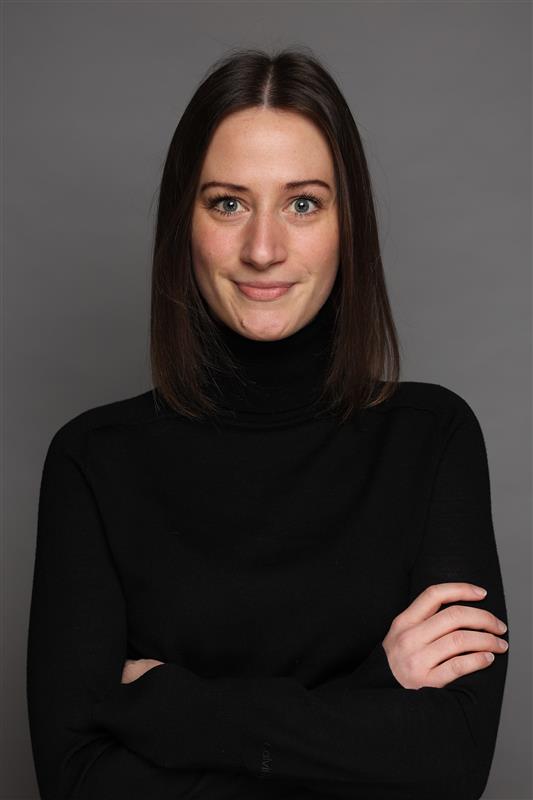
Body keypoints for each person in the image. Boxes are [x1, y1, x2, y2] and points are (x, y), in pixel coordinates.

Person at [26, 47, 509, 800]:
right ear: (183, 222)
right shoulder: (93, 461)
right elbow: (79, 780)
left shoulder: (432, 438)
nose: (262, 249)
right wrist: (376, 689)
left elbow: (451, 765)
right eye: (228, 203)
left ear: (349, 223)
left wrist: (175, 708)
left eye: (302, 203)